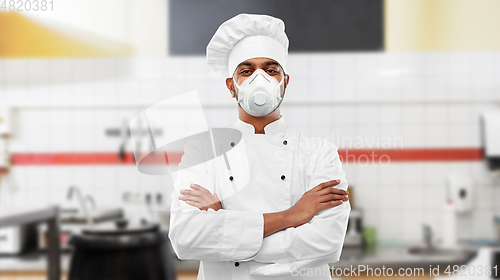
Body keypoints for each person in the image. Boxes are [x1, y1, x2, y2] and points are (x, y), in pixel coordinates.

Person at [168, 14, 351, 280]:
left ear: (284, 81)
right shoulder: (203, 151)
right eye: (246, 70)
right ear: (232, 87)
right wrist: (292, 216)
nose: (259, 78)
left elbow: (328, 242)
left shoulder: (319, 152)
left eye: (270, 69)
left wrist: (226, 225)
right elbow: (185, 237)